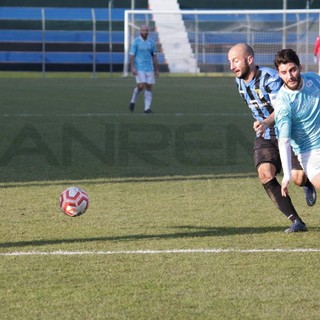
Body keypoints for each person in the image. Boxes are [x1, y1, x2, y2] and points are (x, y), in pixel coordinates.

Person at [227, 43, 316, 233]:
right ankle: (296, 221)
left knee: (298, 179)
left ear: (249, 60)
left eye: (235, 61)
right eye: (230, 62)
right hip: (265, 136)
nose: (232, 66)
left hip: (288, 132)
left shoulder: (270, 78)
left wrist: (266, 121)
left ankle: (306, 183)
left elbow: (282, 109)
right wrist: (262, 124)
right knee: (265, 173)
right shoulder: (239, 81)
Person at [274, 48, 320, 204]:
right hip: (309, 151)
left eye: (292, 70)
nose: (289, 76)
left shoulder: (314, 80)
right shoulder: (282, 103)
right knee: (298, 179)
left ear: (300, 68)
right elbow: (284, 140)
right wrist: (286, 175)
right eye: (284, 72)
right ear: (279, 74)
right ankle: (306, 183)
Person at [128, 25, 159, 113]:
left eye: (146, 30)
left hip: (149, 68)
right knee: (141, 86)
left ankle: (147, 108)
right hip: (139, 67)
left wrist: (157, 69)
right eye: (143, 30)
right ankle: (133, 101)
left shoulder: (151, 42)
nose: (145, 32)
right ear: (140, 31)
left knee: (149, 87)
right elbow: (131, 55)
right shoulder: (136, 42)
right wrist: (132, 67)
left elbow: (154, 56)